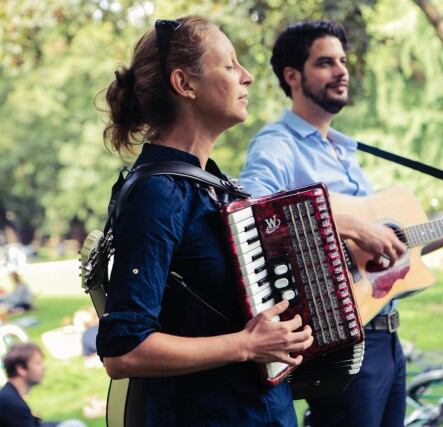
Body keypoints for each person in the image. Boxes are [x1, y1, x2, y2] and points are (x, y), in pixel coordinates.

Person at [239, 20, 443, 427]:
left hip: (386, 336)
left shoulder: (343, 150)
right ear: (292, 76)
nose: (341, 71)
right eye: (325, 63)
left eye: (343, 61)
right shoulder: (277, 143)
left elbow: (393, 249)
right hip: (341, 341)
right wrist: (350, 223)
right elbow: (251, 207)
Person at [95, 16, 313, 426]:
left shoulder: (211, 183)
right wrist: (247, 345)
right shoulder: (157, 194)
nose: (246, 77)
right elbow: (124, 351)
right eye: (230, 65)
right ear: (185, 84)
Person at [0, 342, 86, 427]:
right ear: (21, 369)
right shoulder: (11, 403)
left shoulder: (10, 396)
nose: (44, 367)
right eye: (37, 363)